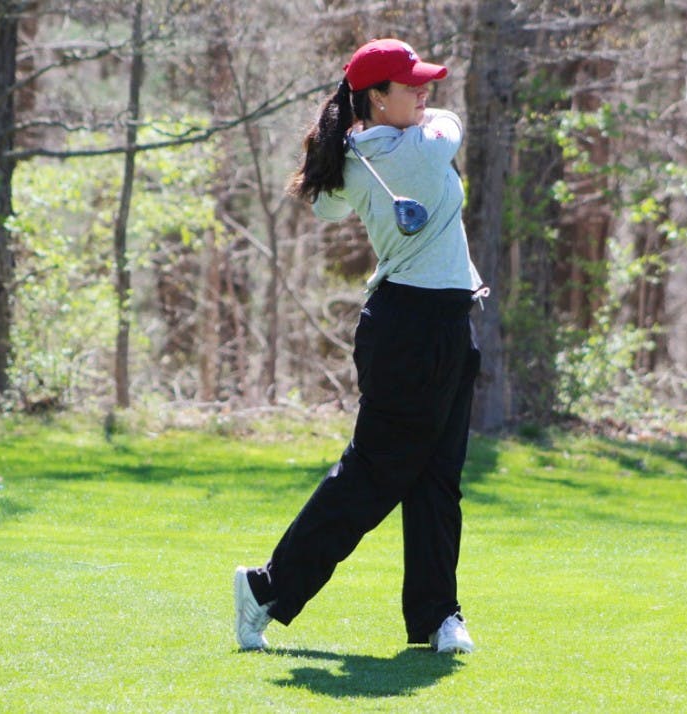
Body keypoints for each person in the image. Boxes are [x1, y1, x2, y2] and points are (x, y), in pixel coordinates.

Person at [234, 38, 484, 654]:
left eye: (424, 84)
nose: (426, 94)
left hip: (447, 319)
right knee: (374, 476)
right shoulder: (422, 148)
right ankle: (266, 589)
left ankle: (435, 616)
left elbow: (323, 206)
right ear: (375, 97)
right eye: (411, 86)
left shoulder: (363, 154)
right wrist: (373, 141)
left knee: (437, 478)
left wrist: (350, 145)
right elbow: (452, 125)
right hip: (410, 329)